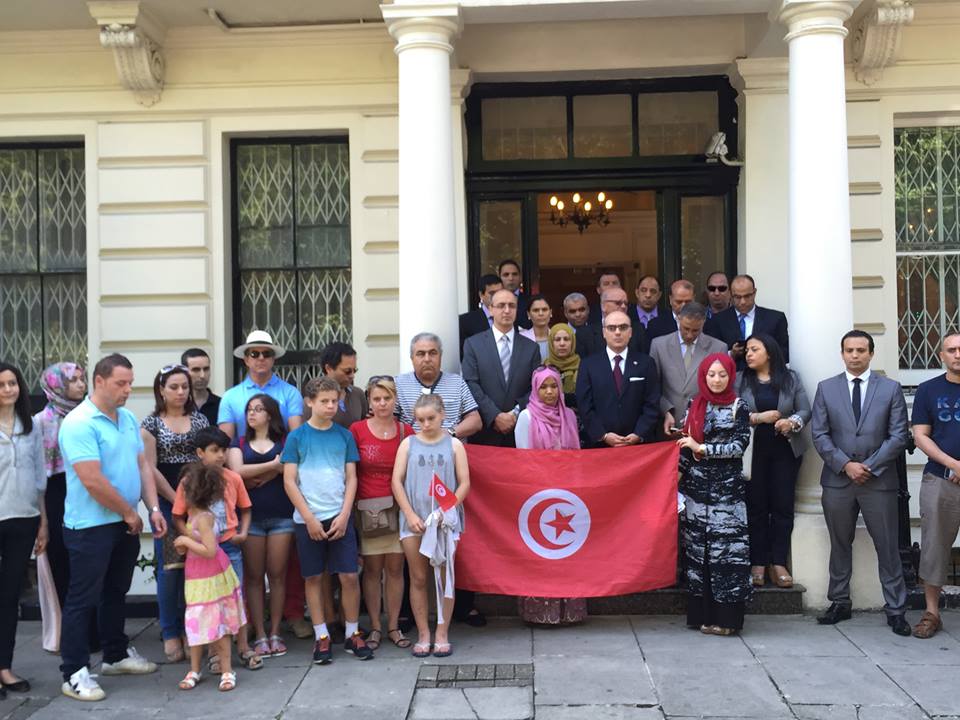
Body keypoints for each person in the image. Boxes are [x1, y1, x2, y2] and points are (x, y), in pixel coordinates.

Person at [58, 353, 167, 702]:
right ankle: (73, 671)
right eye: (121, 383)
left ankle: (115, 655)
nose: (127, 389)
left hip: (124, 523)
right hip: (90, 526)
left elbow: (142, 466)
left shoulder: (127, 419)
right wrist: (128, 513)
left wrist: (152, 508)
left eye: (130, 383)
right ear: (99, 381)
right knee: (82, 599)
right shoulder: (79, 423)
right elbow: (92, 480)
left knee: (115, 591)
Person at [810, 330, 910, 635]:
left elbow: (898, 435)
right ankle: (839, 601)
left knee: (888, 546)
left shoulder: (890, 388)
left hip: (878, 481)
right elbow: (819, 434)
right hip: (839, 481)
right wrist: (846, 465)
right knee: (840, 543)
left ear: (871, 353)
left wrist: (869, 466)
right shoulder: (826, 389)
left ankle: (896, 609)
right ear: (842, 353)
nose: (855, 355)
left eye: (861, 350)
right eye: (849, 350)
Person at [281, 376, 373, 664]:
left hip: (339, 517)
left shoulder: (344, 436)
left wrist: (345, 514)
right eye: (325, 401)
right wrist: (308, 518)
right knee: (313, 577)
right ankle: (321, 635)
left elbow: (351, 477)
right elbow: (289, 481)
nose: (331, 406)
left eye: (335, 401)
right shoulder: (297, 437)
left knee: (348, 576)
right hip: (308, 519)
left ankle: (352, 632)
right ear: (310, 402)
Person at [394, 332, 484, 626]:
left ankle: (454, 616)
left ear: (440, 356)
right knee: (415, 562)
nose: (427, 358)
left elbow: (476, 419)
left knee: (449, 558)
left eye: (432, 352)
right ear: (412, 358)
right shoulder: (400, 384)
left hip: (448, 476)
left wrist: (448, 435)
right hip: (413, 477)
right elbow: (390, 421)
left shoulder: (456, 383)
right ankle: (413, 618)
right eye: (420, 353)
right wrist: (417, 439)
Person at [676, 353, 752, 635]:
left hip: (727, 496)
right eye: (711, 374)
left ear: (731, 376)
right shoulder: (694, 405)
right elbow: (685, 446)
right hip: (696, 494)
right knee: (700, 554)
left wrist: (703, 448)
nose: (717, 380)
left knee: (726, 555)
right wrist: (673, 478)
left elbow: (738, 447)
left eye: (722, 374)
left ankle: (729, 621)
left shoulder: (738, 406)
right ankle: (702, 616)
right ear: (703, 376)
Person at [173, 427, 259, 671]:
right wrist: (192, 537)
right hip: (201, 553)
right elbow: (178, 516)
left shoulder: (233, 478)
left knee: (235, 597)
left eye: (224, 450)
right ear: (201, 452)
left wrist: (243, 532)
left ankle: (242, 648)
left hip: (229, 547)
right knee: (208, 602)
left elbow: (246, 508)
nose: (221, 455)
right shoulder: (188, 482)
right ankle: (215, 654)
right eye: (215, 450)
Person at [391, 394, 470, 657]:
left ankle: (442, 632)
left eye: (431, 418)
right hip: (414, 521)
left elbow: (464, 484)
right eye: (420, 419)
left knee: (445, 576)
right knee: (419, 576)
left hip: (444, 522)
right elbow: (397, 482)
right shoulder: (408, 444)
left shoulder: (454, 445)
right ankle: (424, 632)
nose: (425, 424)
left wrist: (444, 511)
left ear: (442, 414)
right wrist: (410, 514)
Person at [140, 364, 210, 663]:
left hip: (199, 501)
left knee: (197, 567)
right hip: (169, 503)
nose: (181, 392)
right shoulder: (151, 424)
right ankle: (169, 631)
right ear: (161, 389)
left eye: (184, 387)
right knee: (170, 570)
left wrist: (197, 501)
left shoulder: (199, 420)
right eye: (174, 387)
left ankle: (190, 630)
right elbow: (150, 468)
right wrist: (176, 500)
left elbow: (208, 461)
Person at [736, 333, 810, 588]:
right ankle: (758, 561)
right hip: (752, 454)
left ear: (769, 352)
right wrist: (759, 418)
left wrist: (792, 422)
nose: (748, 354)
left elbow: (805, 410)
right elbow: (731, 413)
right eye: (747, 350)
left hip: (785, 452)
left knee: (782, 507)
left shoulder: (790, 378)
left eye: (754, 349)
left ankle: (778, 562)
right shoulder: (740, 380)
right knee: (755, 508)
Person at [514, 366, 587, 624]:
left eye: (553, 386)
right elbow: (523, 460)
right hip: (538, 495)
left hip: (567, 494)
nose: (548, 392)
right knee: (541, 551)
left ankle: (569, 613)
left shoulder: (568, 415)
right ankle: (540, 613)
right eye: (543, 387)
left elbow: (576, 456)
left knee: (566, 552)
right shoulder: (526, 417)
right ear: (535, 389)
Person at [225, 394, 295, 657]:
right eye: (249, 410)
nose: (252, 414)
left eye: (258, 409)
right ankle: (260, 634)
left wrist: (267, 471)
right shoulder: (239, 443)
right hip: (250, 518)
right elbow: (237, 473)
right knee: (254, 578)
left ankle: (276, 631)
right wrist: (272, 468)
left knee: (278, 575)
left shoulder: (285, 440)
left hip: (282, 515)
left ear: (270, 414)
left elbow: (288, 466)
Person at [349, 377, 414, 651]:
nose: (382, 403)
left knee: (396, 569)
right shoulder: (357, 430)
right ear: (370, 401)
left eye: (387, 398)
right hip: (368, 510)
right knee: (373, 570)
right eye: (377, 399)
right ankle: (375, 626)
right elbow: (350, 470)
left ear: (395, 399)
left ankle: (393, 626)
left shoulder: (405, 431)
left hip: (398, 508)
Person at [173, 464, 246, 693]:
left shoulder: (204, 517)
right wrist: (185, 548)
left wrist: (186, 542)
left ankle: (226, 669)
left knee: (217, 624)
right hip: (197, 578)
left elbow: (210, 550)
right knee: (195, 623)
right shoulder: (192, 515)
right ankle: (195, 669)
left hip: (211, 578)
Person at [908, 332, 960, 639]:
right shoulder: (929, 390)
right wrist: (954, 464)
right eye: (951, 350)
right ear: (941, 355)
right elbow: (921, 436)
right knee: (934, 547)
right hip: (940, 479)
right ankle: (932, 612)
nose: (957, 354)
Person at [0, 363, 47, 698]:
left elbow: (40, 476)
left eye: (12, 383)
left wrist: (43, 520)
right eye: (1, 385)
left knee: (9, 597)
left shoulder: (30, 426)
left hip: (24, 517)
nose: (8, 390)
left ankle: (5, 666)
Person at [32, 362, 86, 623]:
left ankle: (92, 630)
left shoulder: (89, 415)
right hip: (55, 493)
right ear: (56, 385)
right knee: (61, 560)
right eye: (73, 380)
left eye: (81, 379)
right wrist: (41, 520)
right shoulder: (41, 422)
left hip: (85, 488)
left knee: (87, 562)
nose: (80, 385)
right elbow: (38, 474)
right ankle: (67, 629)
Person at [462, 288, 542, 447]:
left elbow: (536, 386)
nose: (507, 310)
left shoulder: (531, 347)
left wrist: (515, 413)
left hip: (520, 431)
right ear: (490, 309)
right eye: (501, 305)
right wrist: (495, 415)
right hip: (485, 432)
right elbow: (471, 383)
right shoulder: (473, 344)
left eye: (512, 306)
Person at [576, 310, 661, 448]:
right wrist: (603, 435)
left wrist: (638, 434)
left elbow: (652, 402)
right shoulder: (588, 365)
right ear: (604, 332)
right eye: (611, 328)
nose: (617, 332)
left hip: (638, 445)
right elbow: (584, 405)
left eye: (623, 327)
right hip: (600, 446)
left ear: (630, 332)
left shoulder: (646, 363)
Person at [649, 302, 727, 438]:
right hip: (668, 424)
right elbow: (652, 387)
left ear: (703, 323)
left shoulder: (718, 348)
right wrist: (666, 410)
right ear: (678, 318)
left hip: (703, 426)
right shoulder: (659, 345)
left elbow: (721, 390)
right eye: (685, 328)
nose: (690, 335)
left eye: (696, 330)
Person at [218, 330, 303, 439]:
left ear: (273, 359)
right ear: (246, 360)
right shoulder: (230, 397)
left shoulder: (291, 393)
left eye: (267, 354)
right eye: (254, 354)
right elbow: (225, 444)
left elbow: (296, 438)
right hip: (241, 455)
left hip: (283, 455)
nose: (261, 358)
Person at [704, 274, 790, 369]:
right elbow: (710, 356)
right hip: (730, 378)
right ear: (730, 294)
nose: (743, 301)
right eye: (737, 297)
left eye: (747, 296)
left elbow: (785, 353)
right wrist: (731, 354)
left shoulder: (775, 319)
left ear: (754, 292)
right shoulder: (717, 321)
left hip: (765, 378)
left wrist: (763, 355)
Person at [576, 287, 648, 358]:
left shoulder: (638, 329)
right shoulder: (585, 334)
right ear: (603, 306)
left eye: (625, 303)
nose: (623, 306)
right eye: (618, 303)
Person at [322, 341, 368, 428]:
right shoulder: (314, 395)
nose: (352, 376)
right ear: (329, 368)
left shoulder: (358, 394)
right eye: (347, 371)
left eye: (355, 371)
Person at [458, 274, 502, 358]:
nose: (496, 297)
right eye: (492, 293)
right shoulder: (465, 321)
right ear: (481, 295)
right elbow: (464, 353)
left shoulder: (510, 317)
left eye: (499, 292)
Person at [544, 323, 581, 410]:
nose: (562, 343)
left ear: (573, 342)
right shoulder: (543, 368)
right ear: (551, 343)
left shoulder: (583, 367)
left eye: (566, 339)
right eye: (557, 339)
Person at [181, 348, 221, 427]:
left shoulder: (222, 405)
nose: (202, 375)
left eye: (206, 369)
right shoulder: (177, 405)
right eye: (196, 370)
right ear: (184, 372)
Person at [498, 258, 531, 329]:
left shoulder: (530, 301)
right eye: (506, 275)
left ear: (520, 277)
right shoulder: (493, 302)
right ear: (499, 278)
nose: (511, 278)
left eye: (514, 274)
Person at [519, 294, 553, 360]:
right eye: (536, 310)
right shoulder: (521, 339)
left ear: (551, 312)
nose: (540, 313)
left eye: (544, 309)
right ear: (528, 314)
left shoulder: (558, 337)